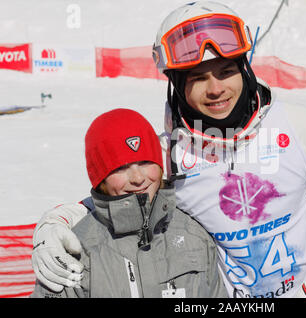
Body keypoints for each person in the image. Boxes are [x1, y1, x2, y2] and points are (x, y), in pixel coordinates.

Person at [31, 1, 306, 298]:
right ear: (177, 85)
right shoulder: (171, 154)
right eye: (198, 78)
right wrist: (55, 223)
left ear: (245, 70)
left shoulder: (299, 126)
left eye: (226, 71)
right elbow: (119, 201)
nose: (216, 89)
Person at [30, 108, 227, 298]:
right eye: (122, 167)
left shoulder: (194, 235)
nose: (138, 178)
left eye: (145, 162)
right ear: (100, 179)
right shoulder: (77, 251)